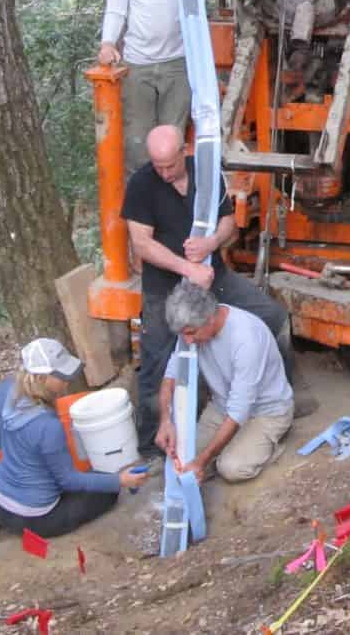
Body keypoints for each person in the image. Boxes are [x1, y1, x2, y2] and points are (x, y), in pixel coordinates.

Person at [121, 124, 296, 456]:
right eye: (157, 166)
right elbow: (141, 243)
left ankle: (277, 403)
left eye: (170, 165)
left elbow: (227, 221)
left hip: (213, 277)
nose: (164, 173)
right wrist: (187, 268)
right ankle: (153, 446)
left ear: (184, 151)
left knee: (275, 317)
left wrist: (212, 242)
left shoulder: (205, 171)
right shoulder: (142, 184)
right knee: (157, 361)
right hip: (165, 287)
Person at [0, 339, 148, 555]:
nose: (67, 382)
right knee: (105, 492)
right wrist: (119, 480)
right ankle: (16, 519)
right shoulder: (48, 426)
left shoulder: (7, 387)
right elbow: (68, 480)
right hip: (35, 517)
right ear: (42, 378)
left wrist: (20, 458)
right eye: (61, 377)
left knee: (42, 475)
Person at [155, 280, 294, 483]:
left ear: (211, 319)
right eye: (183, 335)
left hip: (266, 412)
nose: (188, 341)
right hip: (222, 406)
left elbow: (239, 410)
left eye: (192, 333)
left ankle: (270, 443)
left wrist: (203, 461)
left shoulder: (246, 339)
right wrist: (166, 421)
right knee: (182, 459)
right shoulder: (190, 327)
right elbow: (171, 377)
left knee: (231, 468)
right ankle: (234, 446)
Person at [99, 0, 191, 177]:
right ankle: (143, 205)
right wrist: (108, 42)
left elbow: (195, 0)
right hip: (138, 64)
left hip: (177, 62)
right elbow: (116, 7)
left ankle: (176, 204)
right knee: (139, 147)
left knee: (172, 145)